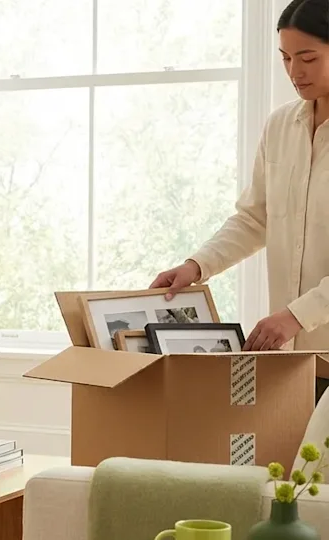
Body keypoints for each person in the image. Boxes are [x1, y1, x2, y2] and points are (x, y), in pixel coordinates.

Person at [151, 0, 329, 399]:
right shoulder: (281, 125)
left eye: (308, 58)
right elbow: (255, 218)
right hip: (294, 360)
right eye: (285, 58)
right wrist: (197, 265)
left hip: (308, 334)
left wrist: (297, 315)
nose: (294, 72)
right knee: (288, 462)